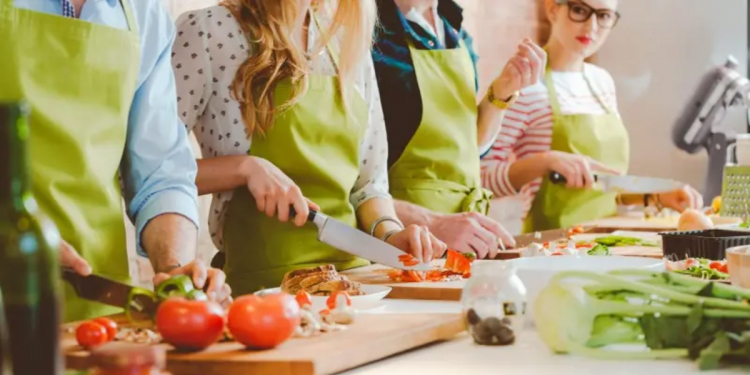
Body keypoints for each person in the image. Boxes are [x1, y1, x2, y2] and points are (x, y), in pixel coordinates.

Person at [173, 0, 447, 296]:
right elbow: (151, 174)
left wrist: (391, 235)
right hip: (263, 291)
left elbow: (368, 185)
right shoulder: (208, 31)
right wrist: (243, 168)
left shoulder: (344, 38)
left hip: (355, 284)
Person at [2, 0, 230, 321]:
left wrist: (175, 269)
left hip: (98, 305)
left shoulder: (144, 14)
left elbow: (161, 173)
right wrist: (16, 240)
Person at [481, 0, 703, 233]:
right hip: (551, 248)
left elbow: (602, 190)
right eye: (579, 10)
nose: (591, 26)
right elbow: (482, 180)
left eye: (604, 15)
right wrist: (546, 161)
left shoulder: (602, 82)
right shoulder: (525, 87)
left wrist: (654, 197)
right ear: (552, 9)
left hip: (606, 240)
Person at [371, 0, 547, 258]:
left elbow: (469, 148)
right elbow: (357, 181)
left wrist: (503, 92)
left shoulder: (454, 28)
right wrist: (433, 223)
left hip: (466, 238)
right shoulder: (370, 30)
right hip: (405, 246)